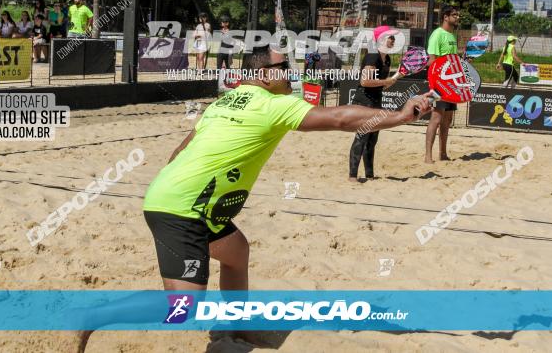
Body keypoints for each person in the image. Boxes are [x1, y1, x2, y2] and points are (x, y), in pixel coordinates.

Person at [66, 45, 433, 351]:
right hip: (183, 208)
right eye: (283, 67)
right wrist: (400, 116)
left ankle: (237, 327)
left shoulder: (225, 101)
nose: (291, 72)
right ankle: (94, 316)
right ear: (262, 75)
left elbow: (182, 150)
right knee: (182, 307)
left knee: (236, 250)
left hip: (178, 197)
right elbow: (339, 118)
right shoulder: (272, 105)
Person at [348, 26, 396, 182]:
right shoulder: (372, 56)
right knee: (362, 137)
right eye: (390, 37)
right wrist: (386, 81)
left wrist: (392, 80)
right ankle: (352, 176)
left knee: (372, 139)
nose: (393, 40)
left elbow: (382, 84)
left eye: (393, 38)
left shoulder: (387, 59)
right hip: (364, 101)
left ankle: (369, 174)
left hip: (376, 100)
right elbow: (365, 81)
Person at [425, 5, 460, 163]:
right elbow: (431, 61)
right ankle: (428, 156)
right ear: (445, 17)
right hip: (438, 83)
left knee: (447, 120)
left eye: (457, 14)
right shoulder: (437, 34)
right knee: (436, 118)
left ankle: (443, 154)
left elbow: (453, 60)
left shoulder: (452, 35)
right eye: (454, 15)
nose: (457, 17)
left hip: (452, 83)